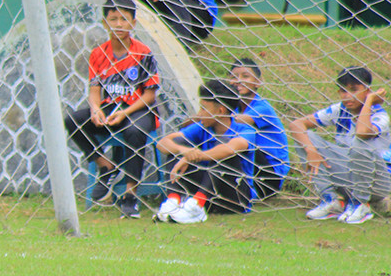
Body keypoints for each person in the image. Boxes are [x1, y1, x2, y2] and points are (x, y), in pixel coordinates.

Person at [63, 0, 160, 219]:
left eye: (124, 19)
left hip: (137, 110)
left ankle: (130, 196)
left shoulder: (144, 53)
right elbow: (94, 90)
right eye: (113, 19)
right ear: (105, 23)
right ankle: (105, 166)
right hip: (111, 109)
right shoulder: (98, 54)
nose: (119, 24)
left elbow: (149, 96)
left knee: (134, 131)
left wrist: (125, 112)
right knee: (73, 120)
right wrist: (96, 109)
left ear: (133, 23)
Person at [288, 66, 390, 225]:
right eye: (343, 91)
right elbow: (296, 125)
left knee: (359, 142)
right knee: (305, 137)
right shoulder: (339, 110)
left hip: (379, 182)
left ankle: (360, 204)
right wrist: (311, 151)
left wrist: (369, 101)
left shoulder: (380, 116)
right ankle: (332, 201)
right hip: (350, 176)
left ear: (368, 90)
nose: (348, 96)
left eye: (354, 90)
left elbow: (362, 133)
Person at [154, 79, 256, 224]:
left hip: (235, 198)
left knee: (225, 153)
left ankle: (197, 206)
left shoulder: (245, 131)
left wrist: (193, 157)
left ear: (220, 111)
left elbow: (230, 149)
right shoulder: (202, 128)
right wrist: (184, 151)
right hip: (209, 193)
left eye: (204, 109)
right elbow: (163, 143)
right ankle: (173, 201)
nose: (199, 114)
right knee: (178, 144)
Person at [229, 58, 290, 199]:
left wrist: (212, 115)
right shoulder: (234, 107)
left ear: (258, 82)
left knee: (235, 141)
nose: (239, 81)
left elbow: (238, 121)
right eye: (233, 77)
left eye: (245, 76)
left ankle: (249, 192)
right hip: (248, 168)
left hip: (269, 175)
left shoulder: (262, 108)